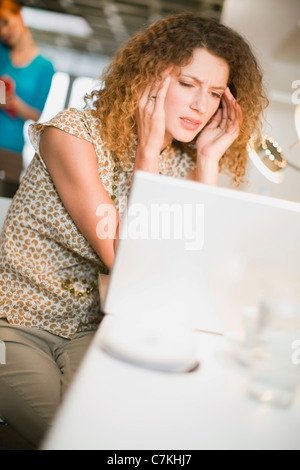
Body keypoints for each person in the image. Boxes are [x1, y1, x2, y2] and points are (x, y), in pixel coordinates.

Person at [0, 12, 268, 448]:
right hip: (10, 325)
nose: (202, 106)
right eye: (187, 84)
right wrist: (146, 154)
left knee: (123, 425)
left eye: (216, 93)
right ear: (152, 78)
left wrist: (207, 162)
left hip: (88, 330)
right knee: (75, 436)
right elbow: (131, 267)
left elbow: (180, 274)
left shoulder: (182, 164)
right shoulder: (73, 135)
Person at [0, 0, 54, 187]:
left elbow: (35, 114)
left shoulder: (45, 67)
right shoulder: (1, 52)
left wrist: (12, 102)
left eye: (5, 22)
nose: (3, 31)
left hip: (10, 148)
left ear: (19, 15)